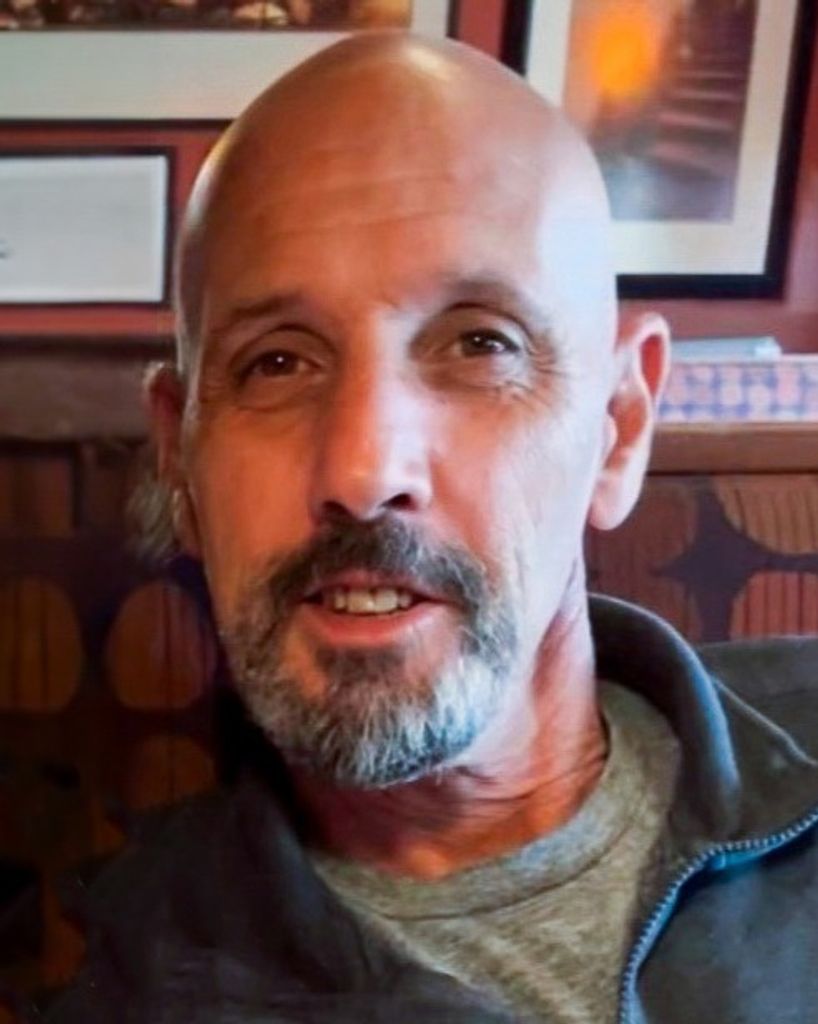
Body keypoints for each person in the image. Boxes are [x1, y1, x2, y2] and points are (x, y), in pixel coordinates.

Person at [44, 32, 818, 1024]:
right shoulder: (125, 990)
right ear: (178, 460)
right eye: (276, 363)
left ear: (619, 428)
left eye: (480, 344)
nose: (363, 472)